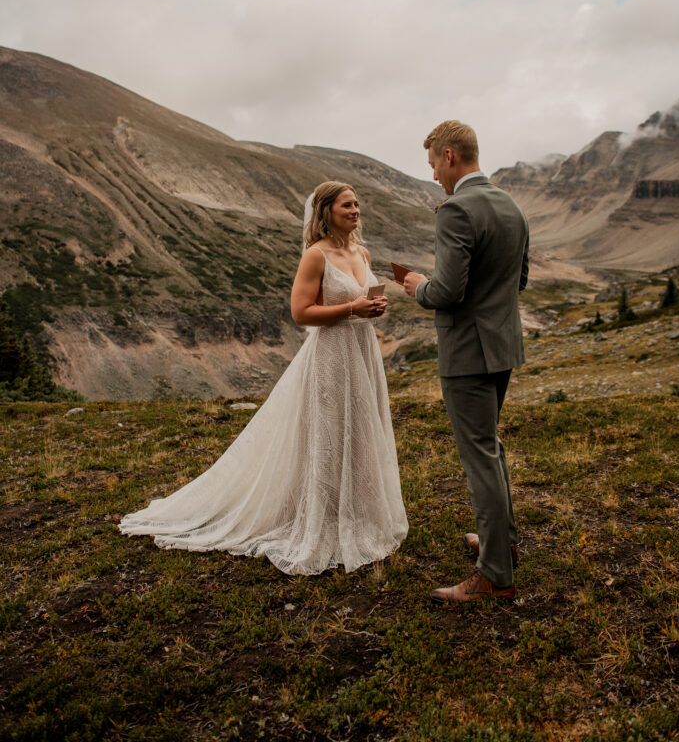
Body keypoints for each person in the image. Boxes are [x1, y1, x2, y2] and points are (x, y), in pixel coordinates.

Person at [119, 181, 408, 575]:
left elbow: (358, 303)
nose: (355, 210)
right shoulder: (315, 256)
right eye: (346, 205)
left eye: (357, 203)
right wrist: (352, 308)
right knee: (326, 433)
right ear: (326, 211)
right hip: (330, 354)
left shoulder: (362, 251)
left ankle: (356, 513)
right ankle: (318, 520)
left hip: (361, 351)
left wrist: (370, 307)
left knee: (358, 429)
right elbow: (301, 313)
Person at [402, 121, 528, 602]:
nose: (433, 172)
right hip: (502, 346)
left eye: (433, 162)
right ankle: (504, 543)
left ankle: (494, 574)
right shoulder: (511, 204)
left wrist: (417, 287)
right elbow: (520, 280)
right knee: (490, 446)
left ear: (450, 156)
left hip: (467, 352)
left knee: (479, 457)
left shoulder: (456, 210)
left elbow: (448, 291)